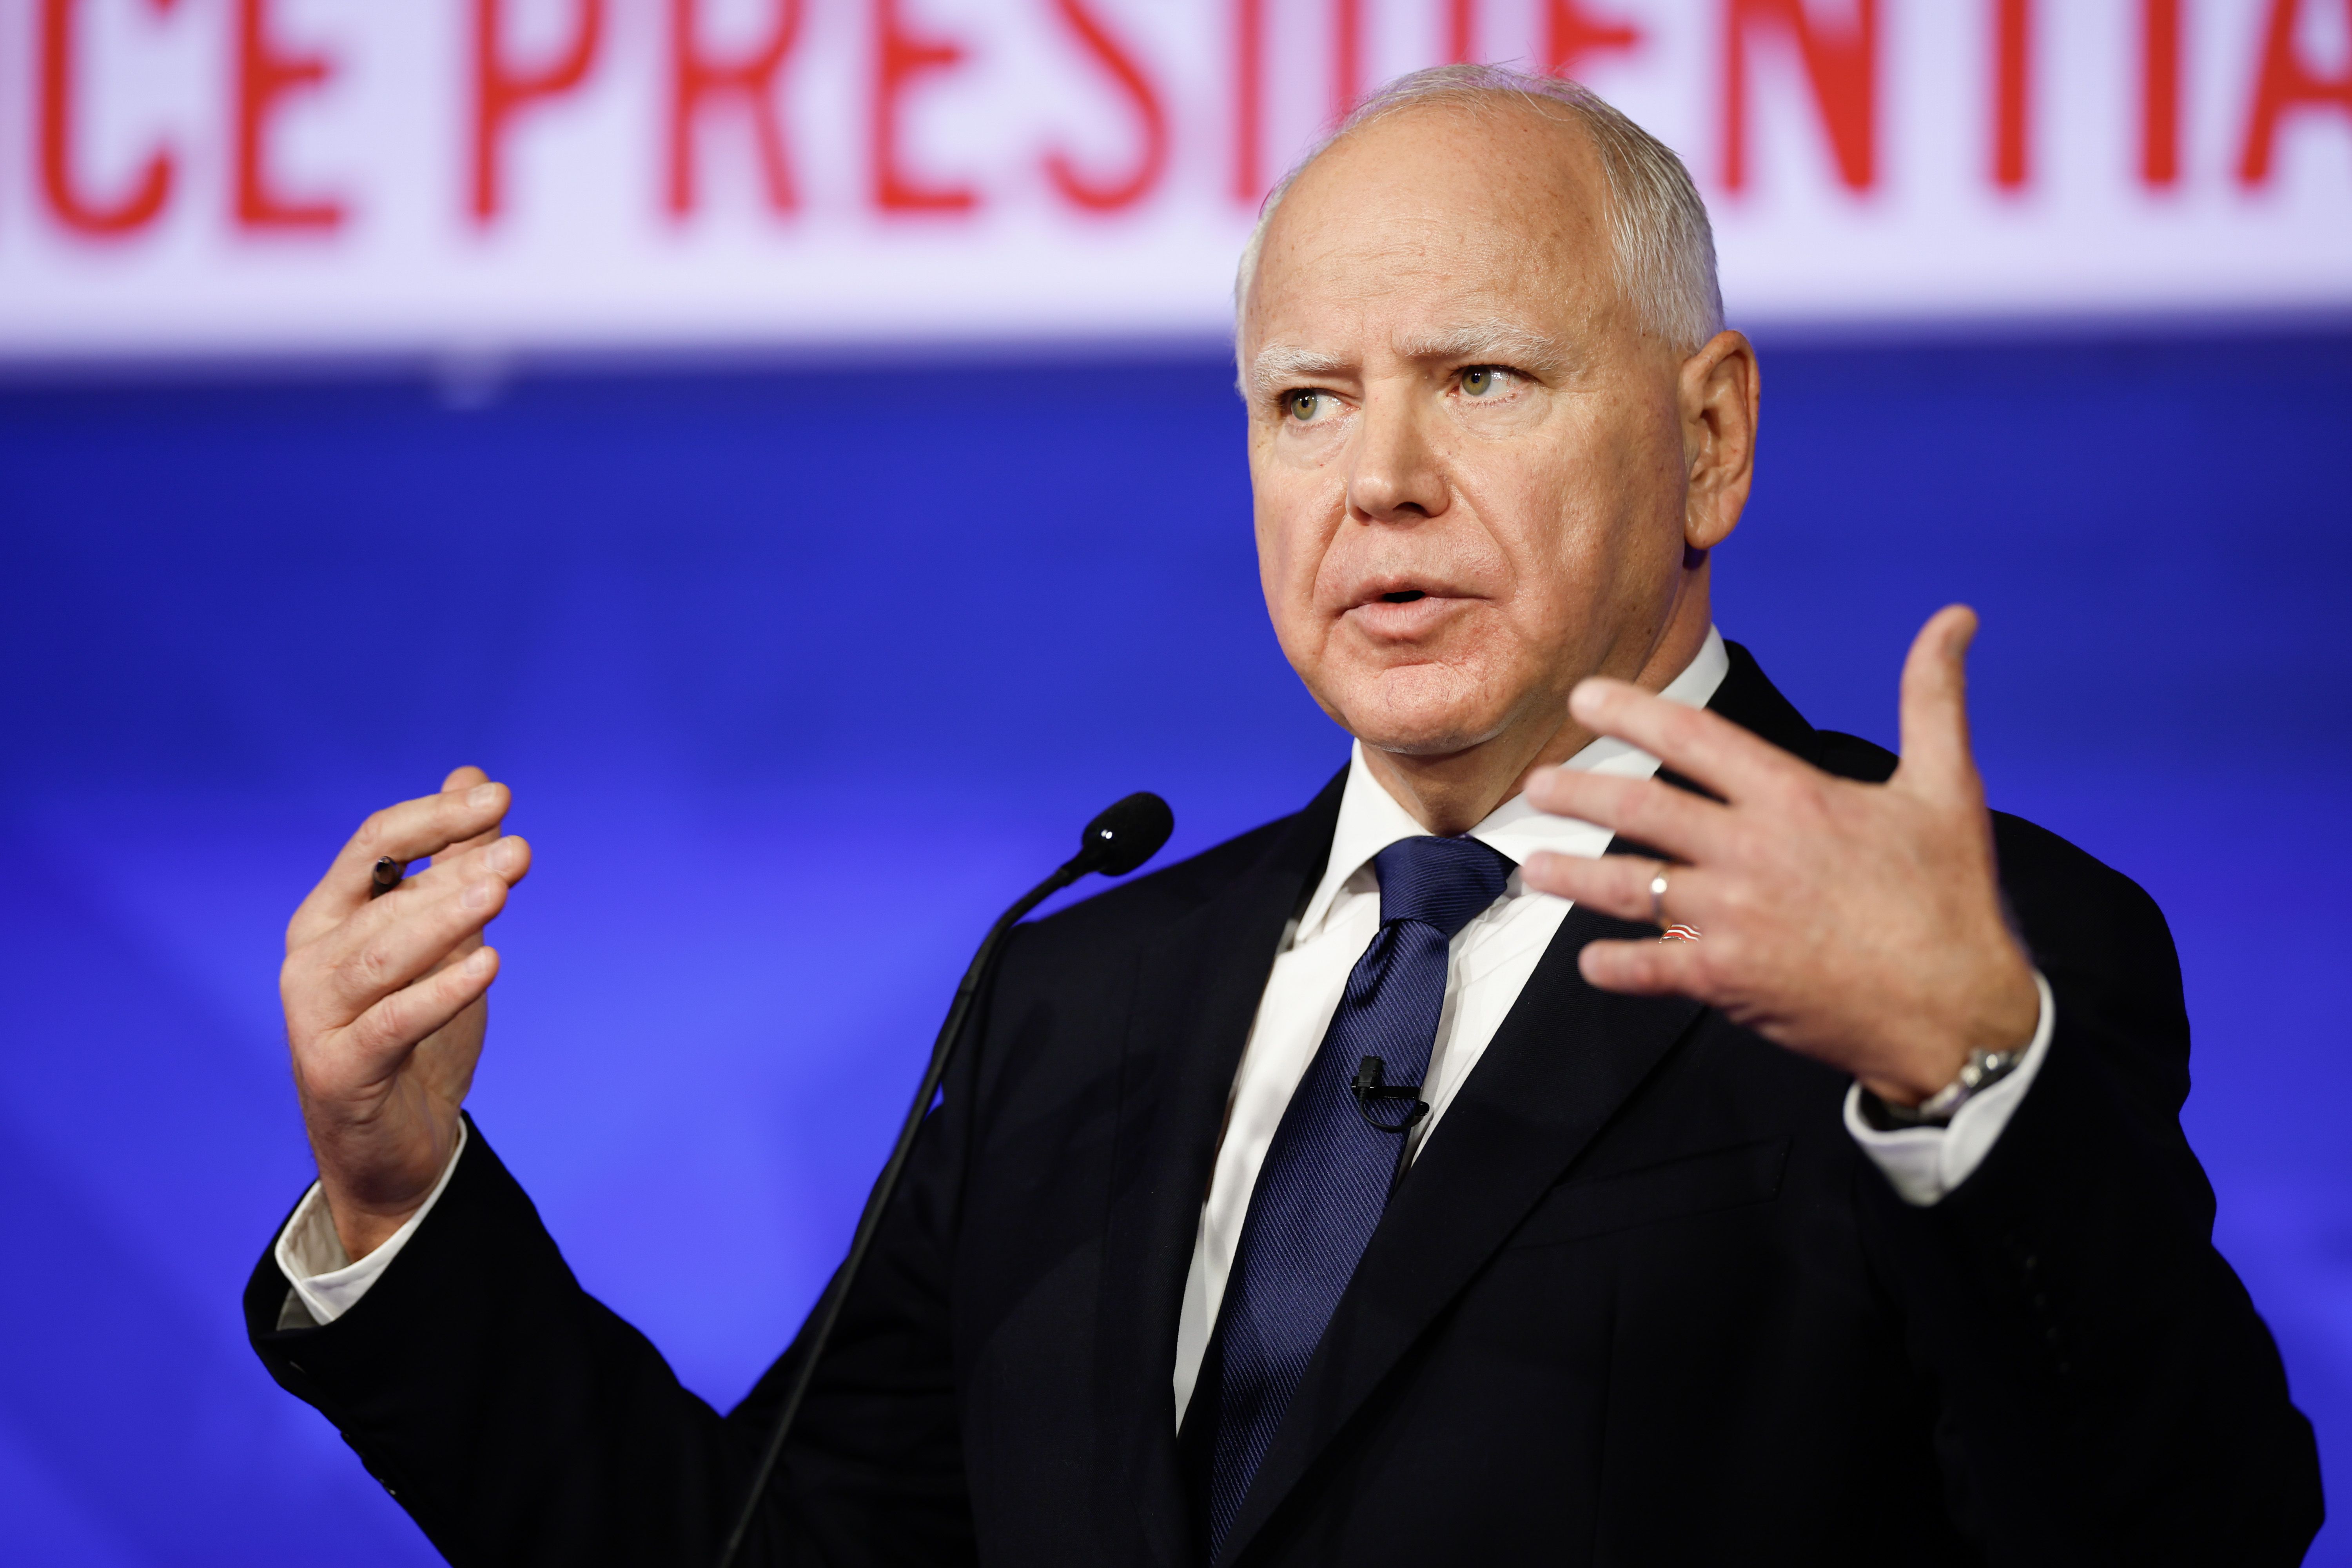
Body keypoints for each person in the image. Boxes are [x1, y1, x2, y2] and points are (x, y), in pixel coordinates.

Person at [248, 65, 2321, 1566]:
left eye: (1482, 377)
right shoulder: (1079, 1001)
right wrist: (396, 1201)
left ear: (1709, 436)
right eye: (1305, 401)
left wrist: (1967, 1079)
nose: (1377, 480)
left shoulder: (1968, 946)